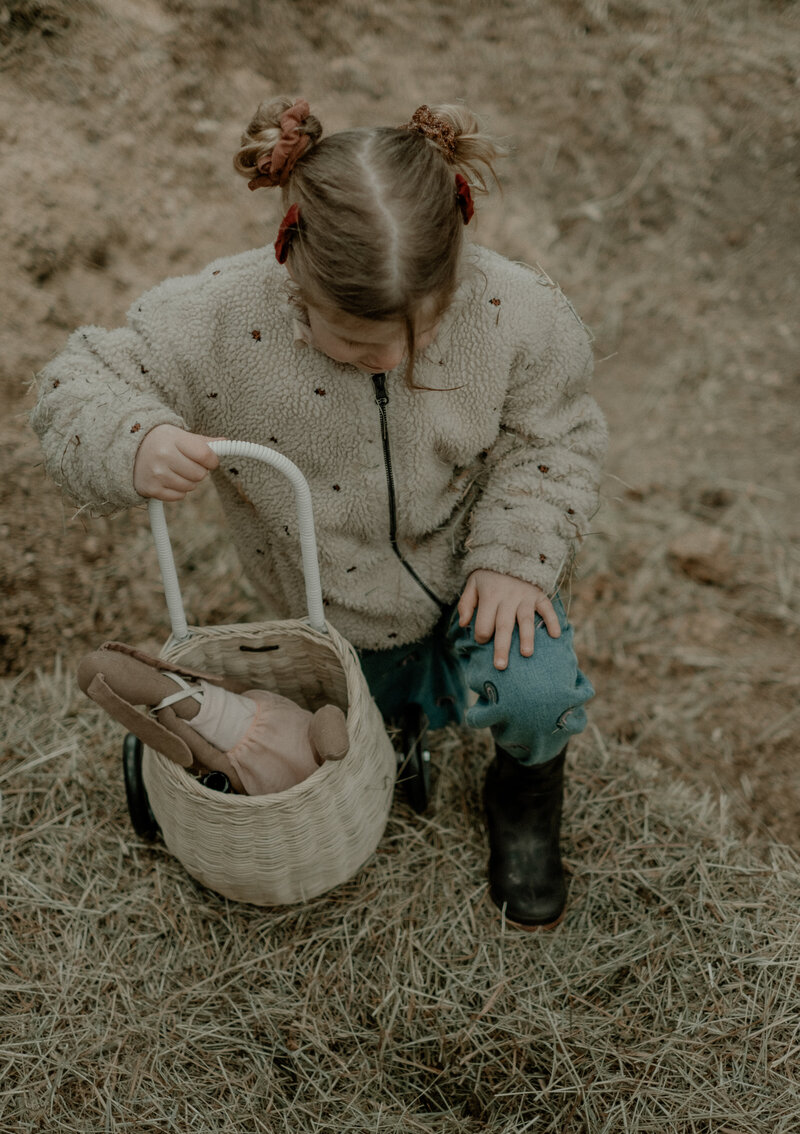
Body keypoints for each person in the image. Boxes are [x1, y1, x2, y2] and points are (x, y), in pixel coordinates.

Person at [32, 98, 607, 930]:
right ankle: (235, 741)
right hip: (326, 603)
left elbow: (556, 437)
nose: (395, 359)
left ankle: (524, 797)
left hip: (477, 577)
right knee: (326, 743)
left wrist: (515, 558)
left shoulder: (514, 314)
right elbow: (77, 382)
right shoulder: (220, 321)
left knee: (537, 691)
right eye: (359, 343)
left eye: (420, 332)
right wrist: (134, 436)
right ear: (292, 269)